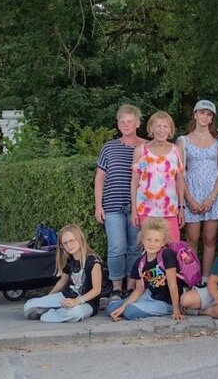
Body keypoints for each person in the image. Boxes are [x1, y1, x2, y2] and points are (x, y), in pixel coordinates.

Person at [95, 104, 145, 301]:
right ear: (117, 124)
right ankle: (116, 288)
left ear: (137, 123)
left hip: (138, 207)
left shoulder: (146, 147)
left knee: (135, 247)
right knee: (116, 247)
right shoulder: (109, 147)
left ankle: (131, 286)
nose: (126, 124)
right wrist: (98, 205)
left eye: (130, 121)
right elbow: (99, 177)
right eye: (122, 121)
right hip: (113, 205)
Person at [179, 100, 218, 282]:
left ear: (212, 119)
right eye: (202, 113)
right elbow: (180, 171)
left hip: (213, 192)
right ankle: (191, 277)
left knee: (210, 238)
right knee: (192, 239)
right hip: (191, 191)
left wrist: (212, 197)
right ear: (195, 115)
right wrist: (189, 199)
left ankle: (206, 278)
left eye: (209, 114)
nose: (205, 117)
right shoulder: (183, 140)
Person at [107, 218, 184, 321]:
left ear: (163, 243)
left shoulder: (166, 254)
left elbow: (172, 284)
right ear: (143, 240)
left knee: (130, 312)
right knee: (110, 309)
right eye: (148, 239)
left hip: (166, 301)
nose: (152, 243)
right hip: (149, 296)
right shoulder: (140, 262)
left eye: (156, 240)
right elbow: (139, 289)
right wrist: (122, 307)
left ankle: (145, 307)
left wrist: (176, 310)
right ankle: (135, 306)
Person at [23, 225, 103, 322]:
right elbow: (62, 282)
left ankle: (48, 313)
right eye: (65, 243)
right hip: (66, 297)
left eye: (72, 240)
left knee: (74, 313)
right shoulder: (71, 260)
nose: (69, 245)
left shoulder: (93, 261)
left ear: (80, 239)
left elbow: (96, 290)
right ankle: (53, 310)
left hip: (86, 302)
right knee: (28, 305)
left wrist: (76, 301)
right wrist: (48, 297)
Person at [130, 111, 186, 243]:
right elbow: (134, 182)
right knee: (150, 249)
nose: (162, 130)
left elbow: (179, 181)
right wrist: (133, 210)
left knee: (172, 249)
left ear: (170, 130)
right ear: (151, 129)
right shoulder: (141, 151)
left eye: (165, 126)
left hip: (170, 210)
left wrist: (181, 208)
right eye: (158, 126)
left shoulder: (176, 150)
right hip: (146, 210)